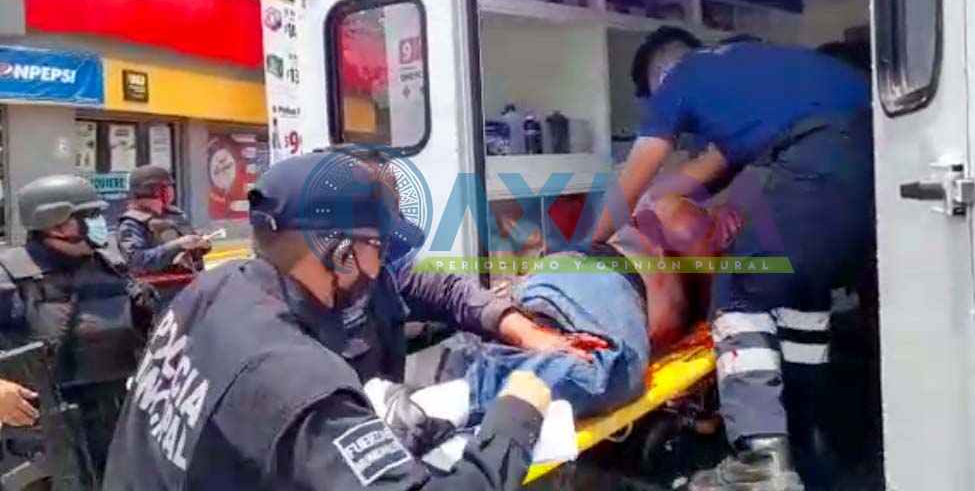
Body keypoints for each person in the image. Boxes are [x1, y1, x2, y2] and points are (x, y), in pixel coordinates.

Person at [104, 151, 560, 490]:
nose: (382, 268)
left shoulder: (208, 292)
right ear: (341, 253)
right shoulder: (297, 378)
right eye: (379, 250)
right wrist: (514, 418)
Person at [591, 27, 874, 491]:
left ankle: (760, 459)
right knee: (800, 289)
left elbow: (634, 179)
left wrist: (592, 243)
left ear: (660, 76)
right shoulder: (749, 71)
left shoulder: (680, 77)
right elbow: (688, 179)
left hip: (824, 152)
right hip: (878, 156)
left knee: (740, 287)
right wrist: (653, 215)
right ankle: (803, 441)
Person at [408, 195, 742, 421]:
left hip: (583, 291)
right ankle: (463, 391)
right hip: (607, 281)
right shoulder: (683, 215)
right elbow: (702, 266)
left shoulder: (696, 284)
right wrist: (719, 249)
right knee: (613, 372)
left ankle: (457, 365)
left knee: (559, 350)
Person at [0, 174, 157, 488]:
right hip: (40, 442)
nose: (100, 222)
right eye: (90, 216)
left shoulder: (110, 267)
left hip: (113, 432)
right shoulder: (9, 277)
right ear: (56, 225)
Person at [116, 165, 211, 277]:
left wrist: (201, 245)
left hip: (190, 282)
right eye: (167, 187)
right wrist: (177, 245)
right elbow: (137, 262)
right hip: (160, 288)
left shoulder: (175, 214)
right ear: (151, 190)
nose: (171, 191)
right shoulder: (132, 223)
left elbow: (193, 254)